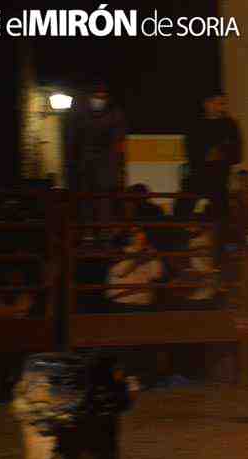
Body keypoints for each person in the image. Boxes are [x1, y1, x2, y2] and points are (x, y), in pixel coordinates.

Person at [185, 93, 243, 248]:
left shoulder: (230, 125)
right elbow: (190, 153)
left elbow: (237, 153)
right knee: (196, 213)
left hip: (220, 179)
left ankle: (219, 248)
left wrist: (222, 154)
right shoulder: (196, 125)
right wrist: (205, 157)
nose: (220, 107)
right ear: (206, 104)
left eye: (222, 104)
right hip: (200, 179)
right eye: (216, 103)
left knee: (220, 217)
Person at [65, 82, 127, 225]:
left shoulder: (114, 114)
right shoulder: (80, 114)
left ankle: (102, 234)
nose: (99, 100)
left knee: (102, 203)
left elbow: (118, 141)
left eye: (102, 97)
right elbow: (72, 140)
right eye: (96, 96)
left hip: (103, 169)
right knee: (86, 201)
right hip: (85, 167)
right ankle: (88, 233)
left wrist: (116, 167)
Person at [105, 227, 164, 312]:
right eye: (135, 234)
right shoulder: (121, 252)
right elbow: (120, 272)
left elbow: (156, 275)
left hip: (144, 302)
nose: (139, 237)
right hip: (123, 301)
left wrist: (154, 258)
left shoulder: (150, 253)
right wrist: (139, 258)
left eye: (141, 233)